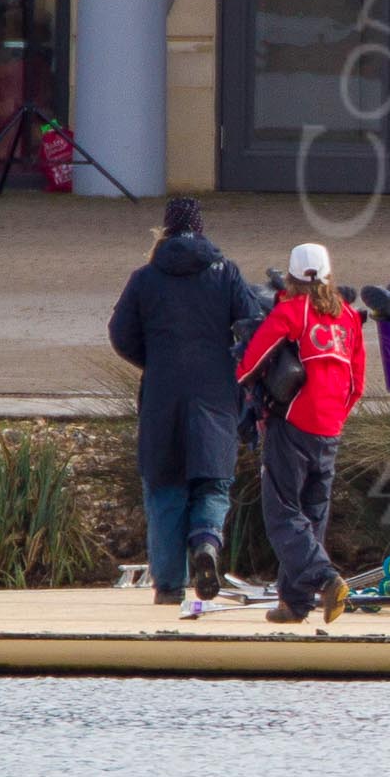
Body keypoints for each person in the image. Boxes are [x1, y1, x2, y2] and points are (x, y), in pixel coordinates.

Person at [108, 197, 263, 605]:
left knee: (165, 488)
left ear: (165, 231)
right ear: (201, 228)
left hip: (162, 397)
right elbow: (252, 327)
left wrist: (154, 360)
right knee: (213, 483)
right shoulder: (225, 272)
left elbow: (120, 334)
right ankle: (206, 543)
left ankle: (169, 586)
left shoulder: (145, 277)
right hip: (215, 396)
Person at [235, 242, 367, 625]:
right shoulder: (348, 318)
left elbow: (249, 366)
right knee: (312, 514)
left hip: (292, 424)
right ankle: (295, 604)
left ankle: (326, 580)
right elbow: (357, 384)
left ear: (291, 278)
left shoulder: (290, 312)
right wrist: (335, 419)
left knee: (281, 513)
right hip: (331, 428)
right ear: (329, 275)